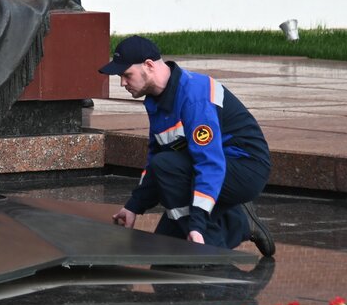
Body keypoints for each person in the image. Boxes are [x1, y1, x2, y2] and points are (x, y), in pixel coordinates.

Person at [98, 35, 276, 256]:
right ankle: (240, 222)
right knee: (165, 249)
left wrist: (197, 225)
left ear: (149, 66)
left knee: (189, 243)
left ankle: (211, 255)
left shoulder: (194, 97)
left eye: (126, 75)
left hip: (245, 169)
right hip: (211, 167)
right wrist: (134, 206)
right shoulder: (157, 100)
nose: (122, 83)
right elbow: (155, 157)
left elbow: (210, 164)